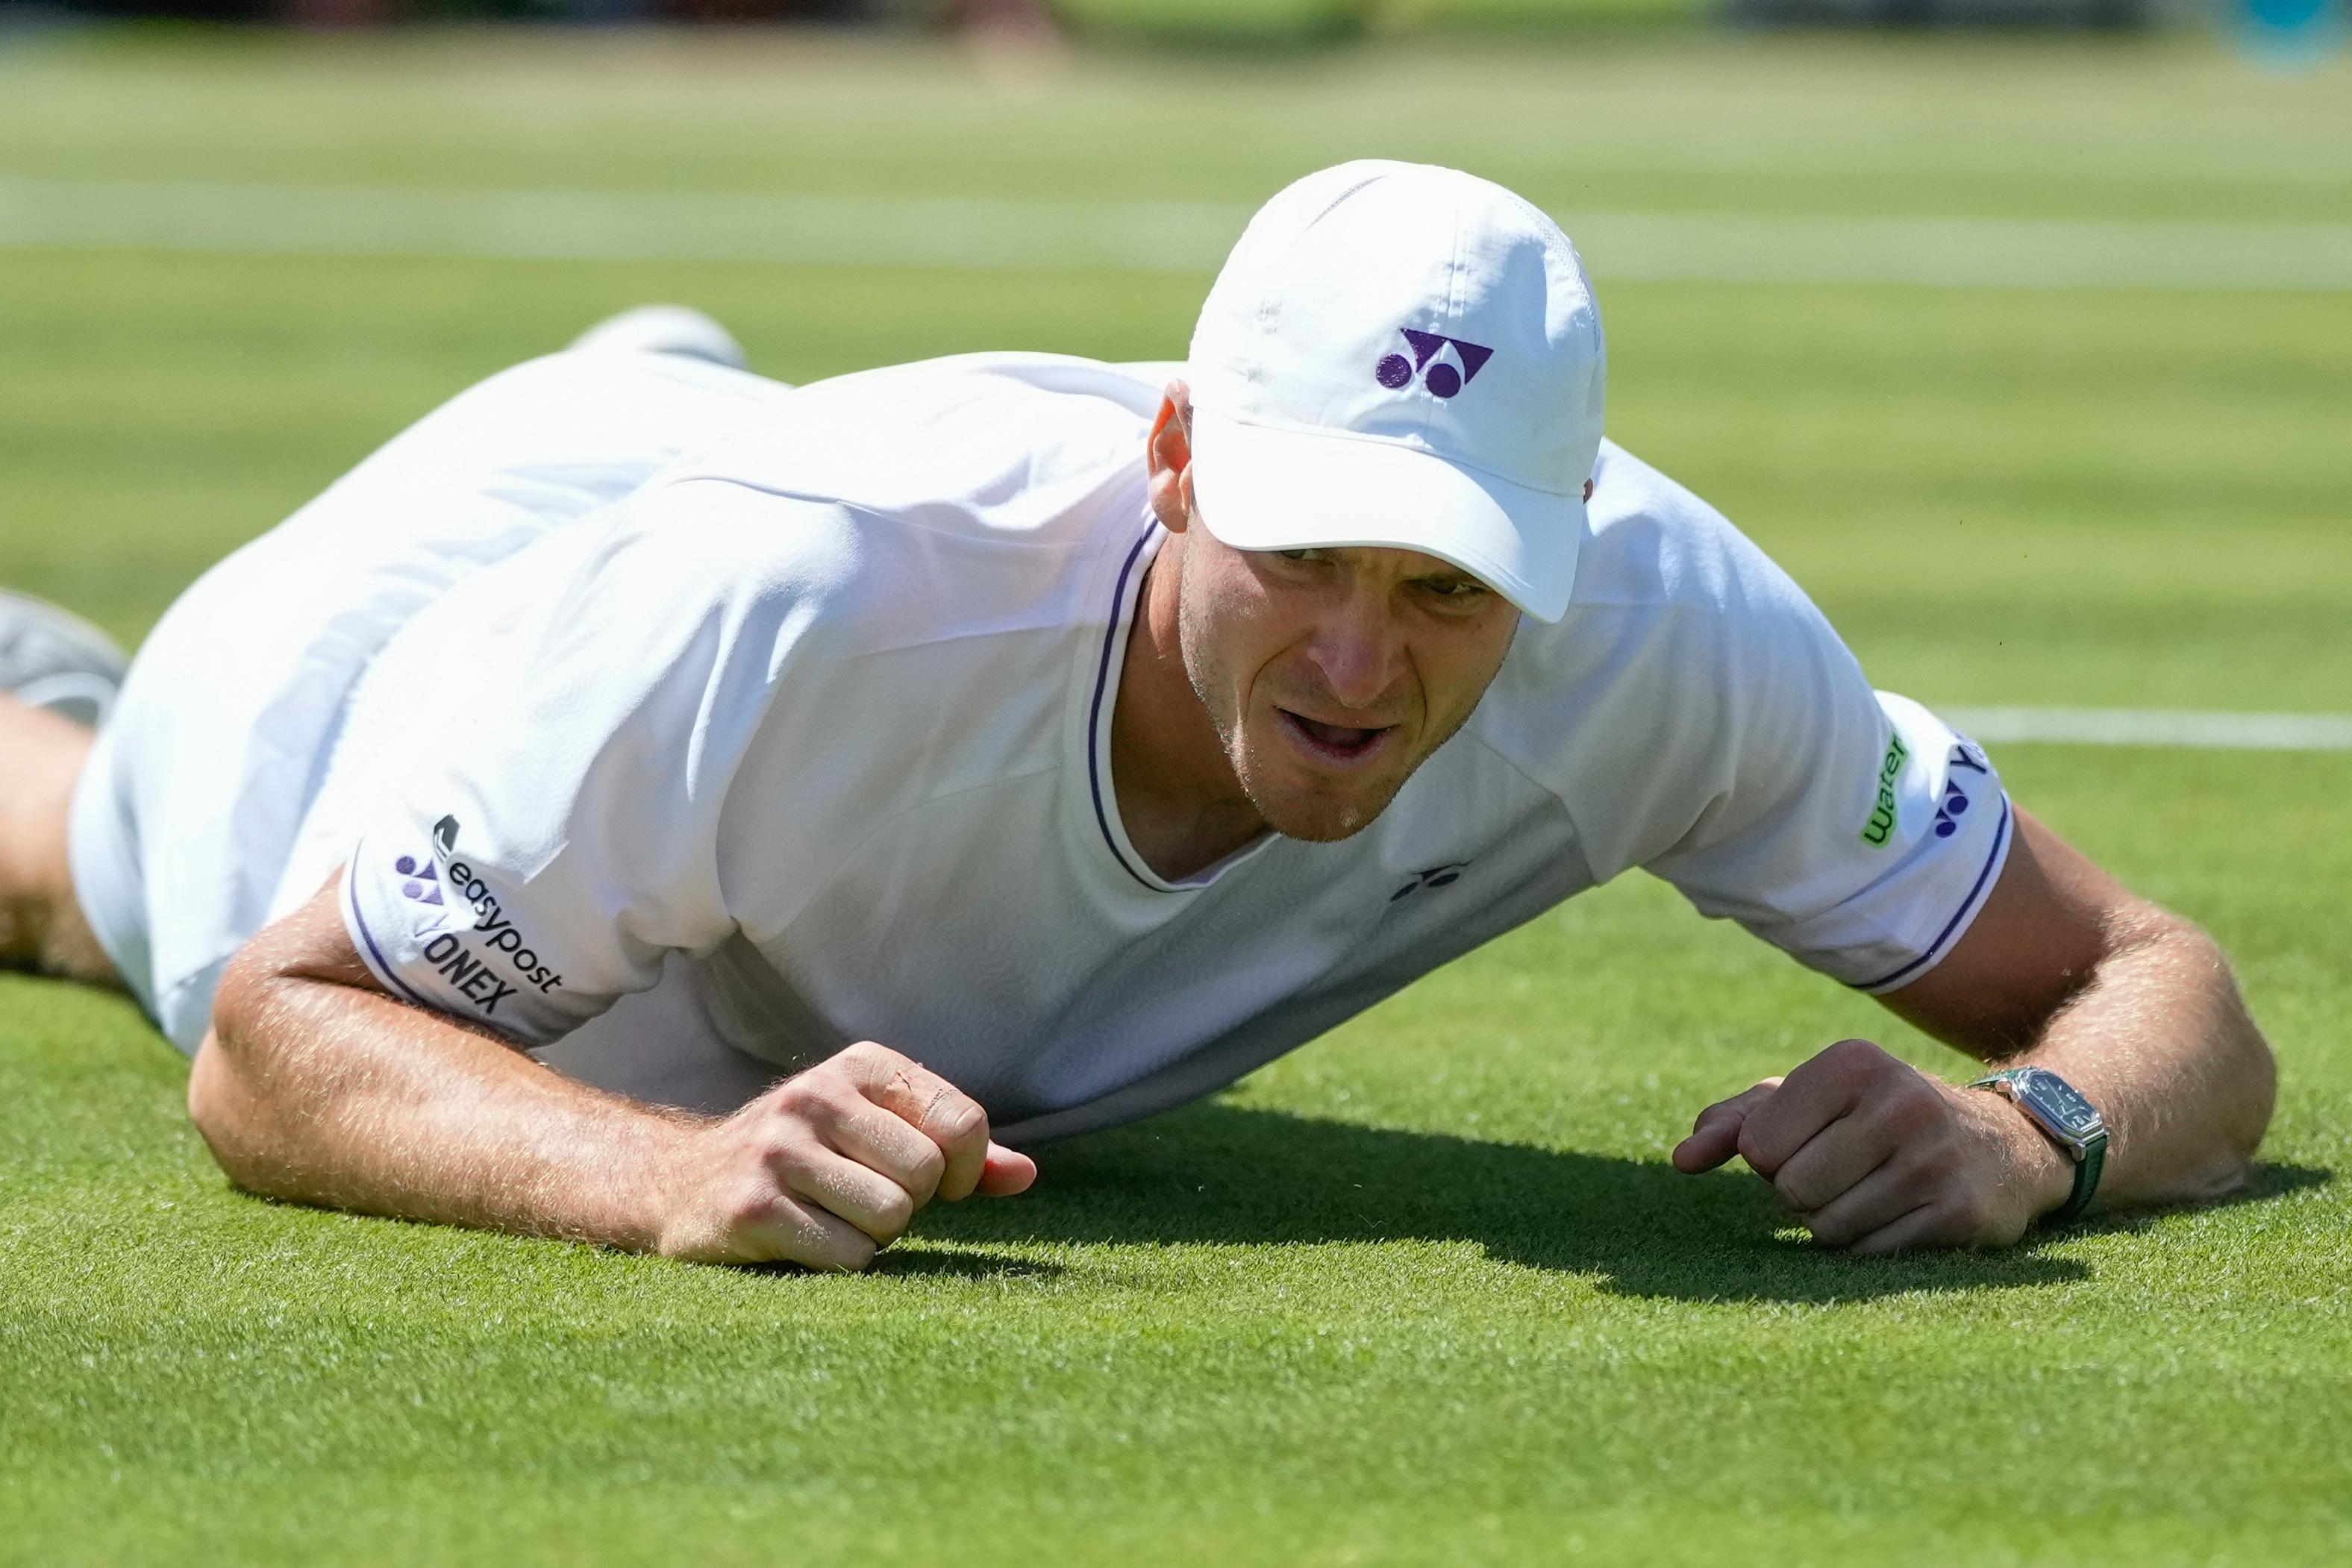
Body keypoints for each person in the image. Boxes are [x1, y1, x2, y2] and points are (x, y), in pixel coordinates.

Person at [0, 163, 2273, 1271]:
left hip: (715, 538)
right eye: (1300, 554)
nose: (1363, 667)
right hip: (368, 680)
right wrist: (661, 1167)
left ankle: (642, 385)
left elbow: (2163, 989)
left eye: (1446, 580)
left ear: (1570, 530)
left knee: (723, 578)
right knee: (89, 879)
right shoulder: (802, 593)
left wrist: (2032, 1135)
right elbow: (276, 1038)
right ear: (1178, 463)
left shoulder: (1661, 621)